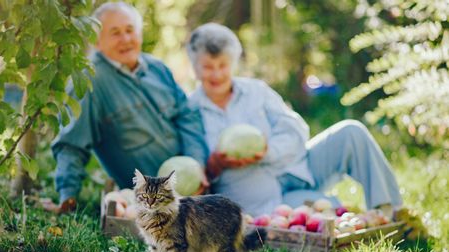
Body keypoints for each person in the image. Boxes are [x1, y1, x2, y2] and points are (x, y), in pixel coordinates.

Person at [186, 23, 402, 218]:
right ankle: (325, 207)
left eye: (222, 65)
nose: (216, 74)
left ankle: (390, 212)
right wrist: (214, 165)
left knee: (352, 133)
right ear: (195, 68)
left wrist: (267, 151)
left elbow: (296, 129)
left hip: (298, 166)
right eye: (207, 67)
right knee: (321, 214)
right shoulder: (190, 110)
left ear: (233, 64)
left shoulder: (256, 91)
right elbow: (196, 171)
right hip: (259, 196)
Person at [43, 2, 209, 213]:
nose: (126, 39)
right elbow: (71, 144)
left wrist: (196, 166)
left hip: (193, 187)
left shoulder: (157, 69)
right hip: (152, 201)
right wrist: (68, 197)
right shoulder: (90, 81)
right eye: (115, 33)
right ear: (97, 41)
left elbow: (188, 117)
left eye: (130, 30)